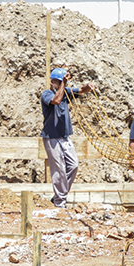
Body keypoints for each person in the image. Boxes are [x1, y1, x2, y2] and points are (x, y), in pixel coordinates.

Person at [40, 67, 95, 208]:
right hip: (52, 137)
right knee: (58, 169)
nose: (60, 83)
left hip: (64, 136)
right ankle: (60, 202)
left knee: (73, 165)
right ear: (53, 82)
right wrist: (64, 84)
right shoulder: (46, 94)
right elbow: (56, 100)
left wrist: (88, 87)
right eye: (58, 81)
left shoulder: (65, 92)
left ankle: (60, 195)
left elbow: (81, 90)